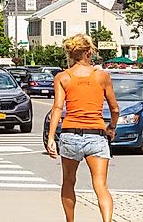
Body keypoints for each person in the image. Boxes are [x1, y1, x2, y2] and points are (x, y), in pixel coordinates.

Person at [46, 34, 119, 222]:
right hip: (96, 135)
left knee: (69, 181)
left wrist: (51, 137)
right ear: (89, 52)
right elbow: (115, 109)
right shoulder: (101, 76)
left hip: (70, 134)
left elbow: (57, 108)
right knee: (101, 185)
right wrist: (111, 127)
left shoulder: (63, 77)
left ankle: (70, 221)